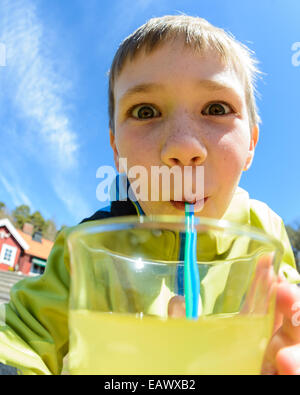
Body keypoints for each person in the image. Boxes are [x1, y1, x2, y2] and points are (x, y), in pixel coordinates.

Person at [1, 14, 300, 375]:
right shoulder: (84, 249)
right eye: (145, 111)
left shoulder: (265, 232)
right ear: (116, 150)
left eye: (216, 109)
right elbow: (18, 344)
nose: (183, 146)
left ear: (251, 143)